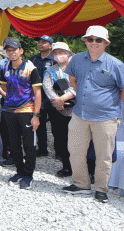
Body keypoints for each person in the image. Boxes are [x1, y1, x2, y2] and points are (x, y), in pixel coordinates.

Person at [62, 25, 124, 203]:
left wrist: (108, 103)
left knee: (104, 156)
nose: (94, 43)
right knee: (75, 151)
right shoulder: (77, 59)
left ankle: (101, 190)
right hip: (80, 114)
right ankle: (81, 185)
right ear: (85, 40)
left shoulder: (116, 64)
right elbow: (72, 79)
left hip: (106, 118)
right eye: (90, 39)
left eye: (98, 40)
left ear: (106, 43)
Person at [0, 37, 42, 190]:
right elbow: (3, 86)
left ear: (21, 51)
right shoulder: (4, 67)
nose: (11, 53)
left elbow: (38, 92)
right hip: (9, 110)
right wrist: (10, 98)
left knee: (29, 144)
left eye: (14, 49)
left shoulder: (31, 68)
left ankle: (29, 175)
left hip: (27, 110)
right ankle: (19, 171)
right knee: (14, 143)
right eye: (8, 50)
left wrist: (36, 115)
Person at [42, 42, 75, 177]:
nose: (58, 55)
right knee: (61, 139)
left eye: (61, 52)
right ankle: (67, 166)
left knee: (78, 140)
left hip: (76, 110)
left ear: (68, 53)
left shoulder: (76, 68)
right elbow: (47, 87)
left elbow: (79, 85)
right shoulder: (51, 70)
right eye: (55, 53)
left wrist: (64, 98)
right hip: (58, 110)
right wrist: (57, 101)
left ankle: (83, 169)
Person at [29, 35, 54, 157]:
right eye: (39, 42)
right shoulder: (33, 59)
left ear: (50, 45)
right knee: (40, 123)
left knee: (56, 125)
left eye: (44, 42)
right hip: (37, 96)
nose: (40, 44)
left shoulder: (55, 59)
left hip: (52, 95)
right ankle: (42, 148)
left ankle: (60, 150)